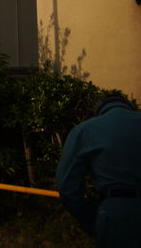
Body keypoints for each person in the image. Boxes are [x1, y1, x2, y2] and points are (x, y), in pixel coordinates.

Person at [56, 92, 141, 247]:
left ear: (99, 109)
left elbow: (67, 187)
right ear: (129, 105)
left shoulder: (85, 130)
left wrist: (90, 221)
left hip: (115, 216)